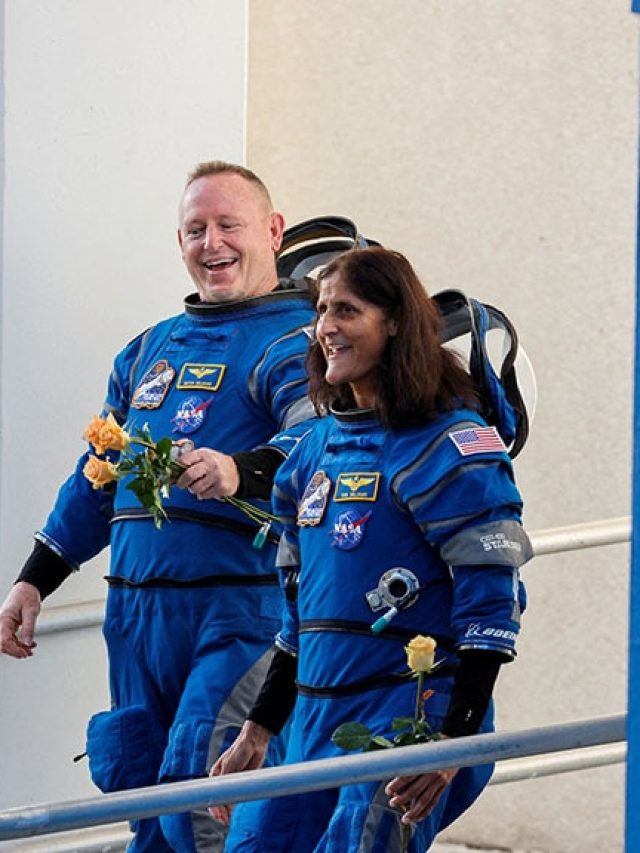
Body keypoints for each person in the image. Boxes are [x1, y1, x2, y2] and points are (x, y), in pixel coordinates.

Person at [0, 161, 317, 853]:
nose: (213, 243)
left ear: (272, 230)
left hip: (237, 614)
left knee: (201, 797)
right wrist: (33, 578)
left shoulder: (298, 344)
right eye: (196, 228)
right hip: (136, 617)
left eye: (229, 224)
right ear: (178, 241)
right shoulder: (147, 350)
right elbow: (97, 475)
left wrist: (240, 470)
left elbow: (318, 442)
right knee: (144, 794)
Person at [210, 246, 533, 852]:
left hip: (408, 724)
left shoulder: (447, 446)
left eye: (347, 310)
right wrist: (256, 732)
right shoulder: (310, 452)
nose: (326, 327)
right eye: (323, 310)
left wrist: (451, 747)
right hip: (309, 724)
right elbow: (296, 621)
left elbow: (492, 609)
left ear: (395, 322)